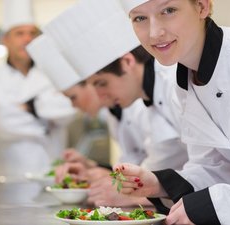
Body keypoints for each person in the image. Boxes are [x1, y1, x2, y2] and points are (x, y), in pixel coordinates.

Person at [114, 0, 230, 224]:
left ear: (202, 6)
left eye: (169, 10)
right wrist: (160, 183)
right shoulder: (186, 80)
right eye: (140, 18)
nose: (154, 33)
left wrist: (212, 205)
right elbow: (218, 166)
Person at [41, 0, 188, 207]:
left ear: (127, 62)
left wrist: (136, 194)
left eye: (101, 84)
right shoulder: (146, 97)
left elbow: (209, 170)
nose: (100, 97)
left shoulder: (176, 85)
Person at [0, 0, 75, 181]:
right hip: (6, 176)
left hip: (51, 176)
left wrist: (26, 108)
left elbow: (67, 111)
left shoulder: (53, 74)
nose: (27, 39)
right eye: (19, 33)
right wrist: (45, 124)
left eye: (32, 33)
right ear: (5, 39)